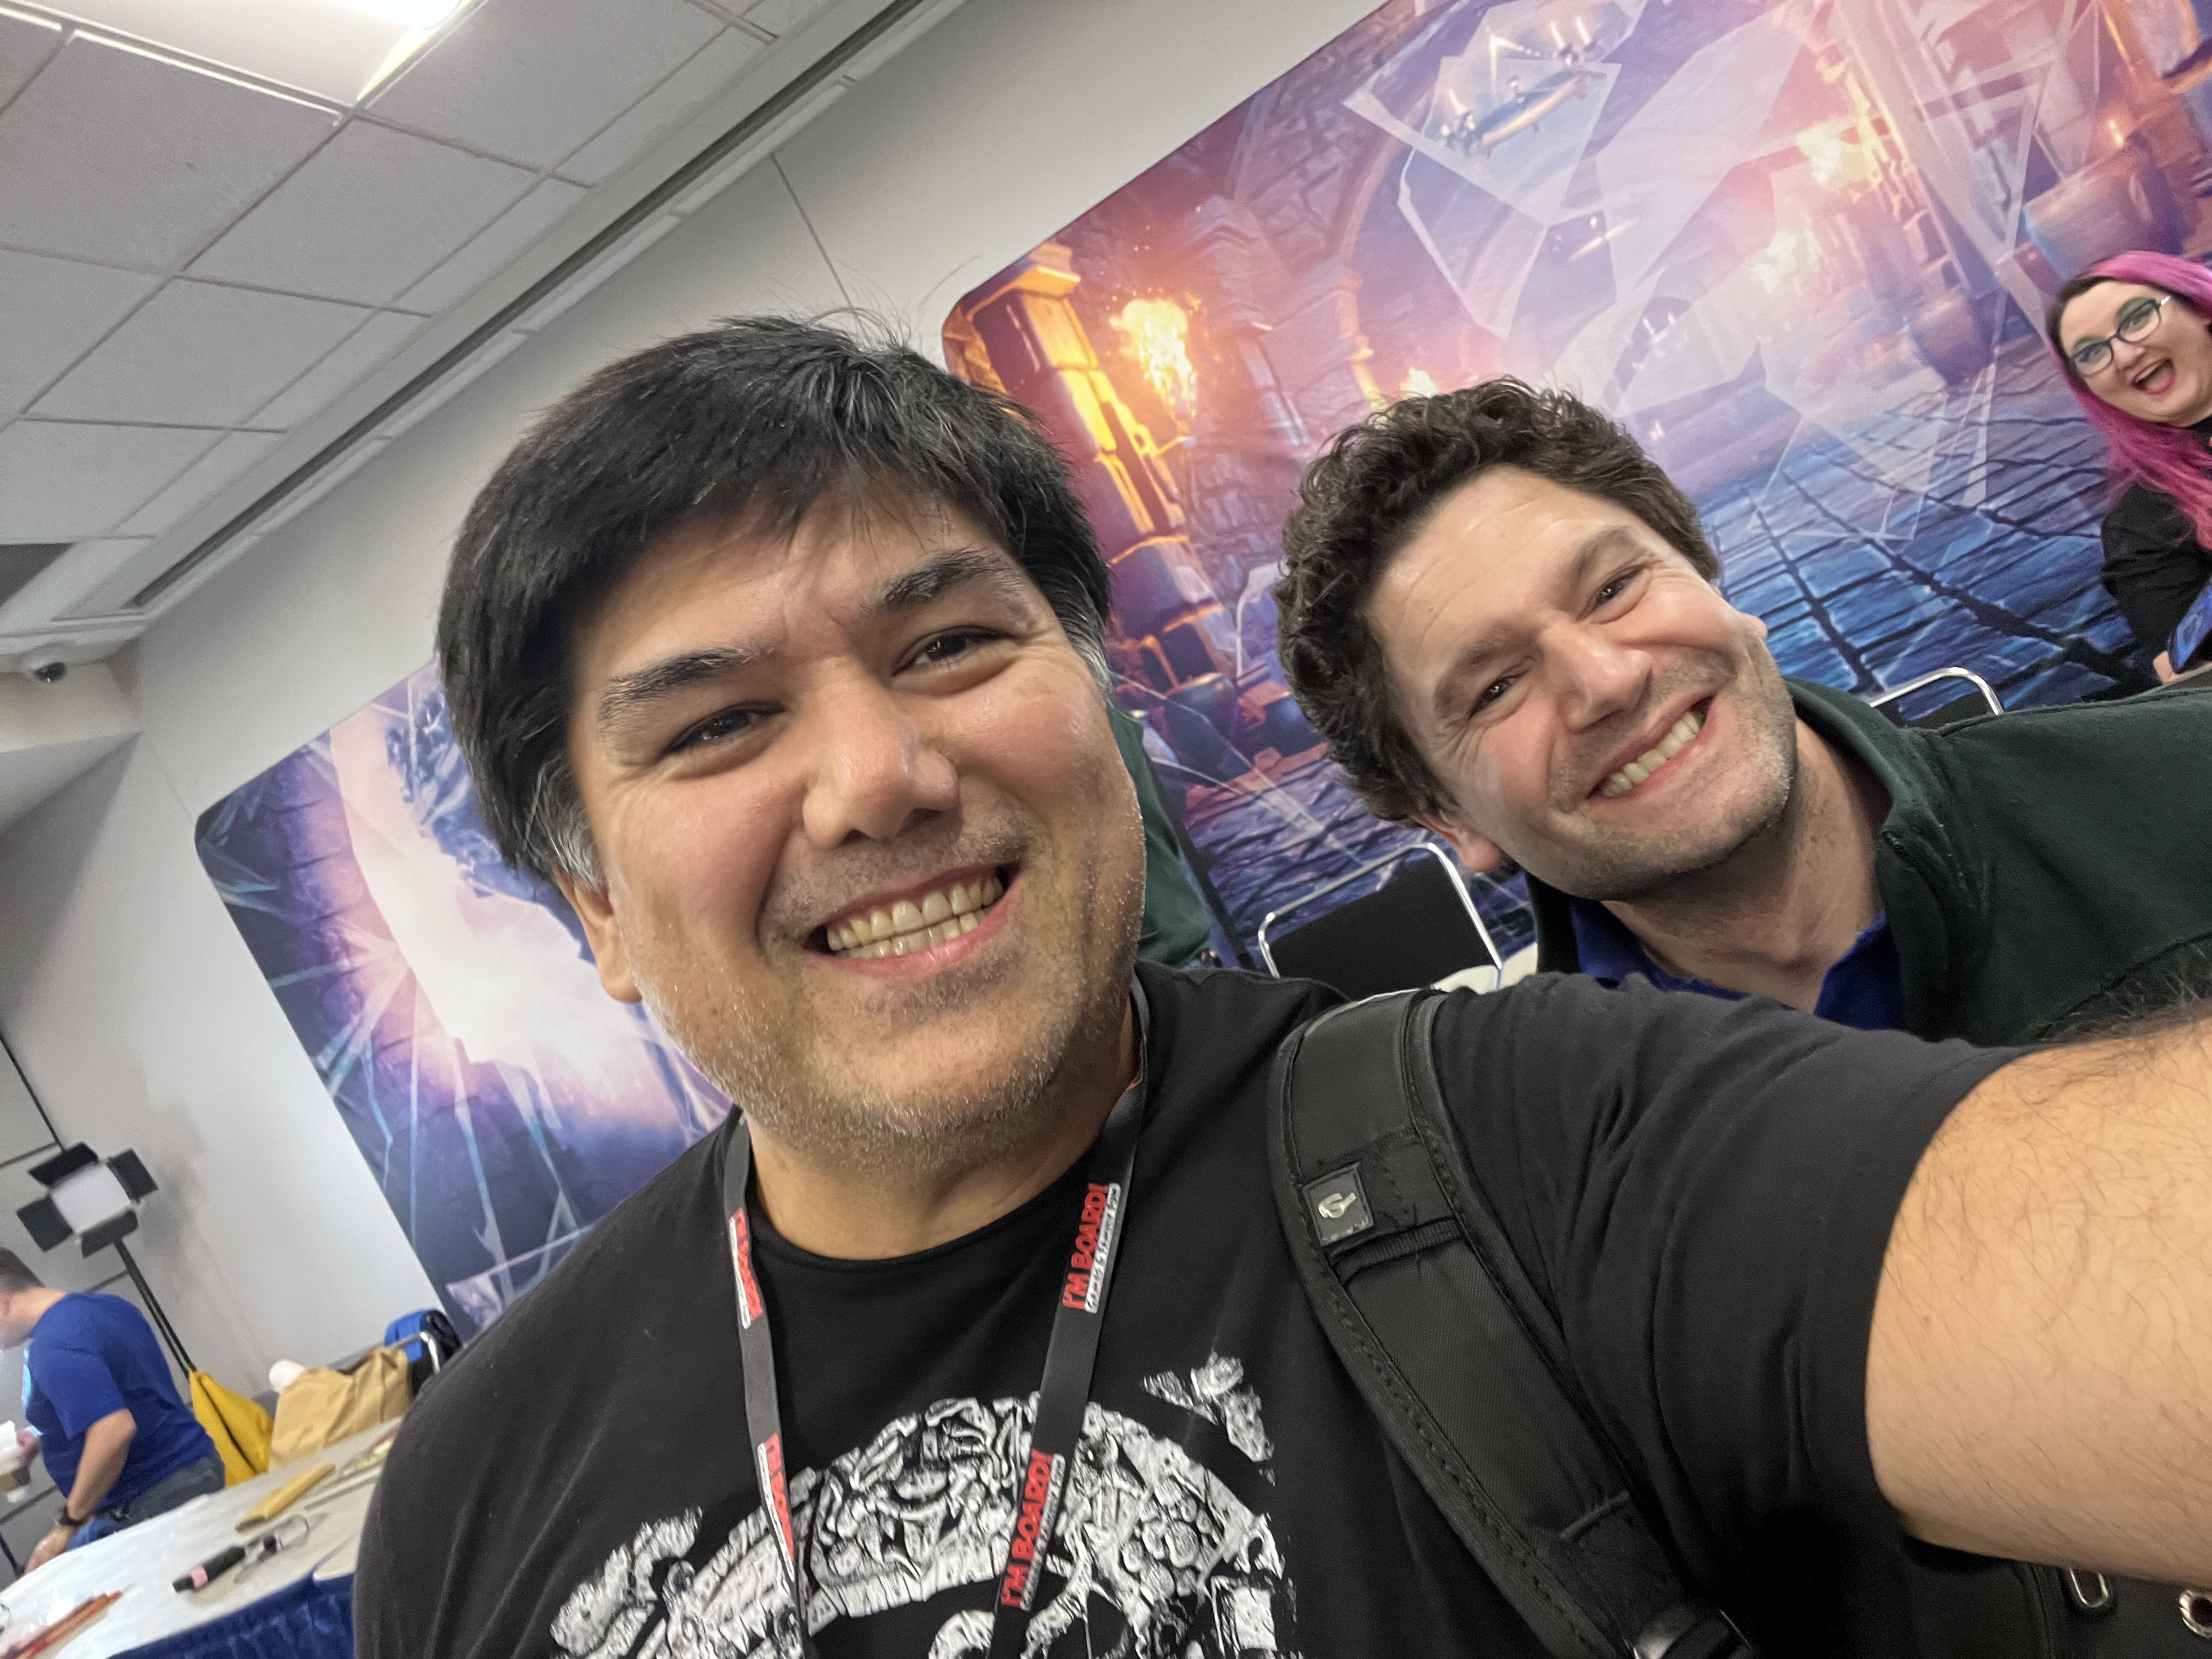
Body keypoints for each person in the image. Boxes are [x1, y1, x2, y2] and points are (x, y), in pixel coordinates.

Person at [357, 319, 2212, 1659]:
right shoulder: (467, 1490)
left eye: (949, 644)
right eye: (716, 724)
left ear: (1101, 711)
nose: (876, 779)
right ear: (591, 903)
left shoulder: (1511, 1140)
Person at [1275, 377, 2212, 1045]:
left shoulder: (2187, 781)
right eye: (1495, 687)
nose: (1606, 680)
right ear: (1447, 816)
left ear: (1710, 583)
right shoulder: (1533, 1182)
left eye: (1613, 588)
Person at [2047, 250, 2212, 681]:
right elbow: (2183, 678)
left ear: (2198, 308)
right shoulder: (2141, 523)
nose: (2123, 355)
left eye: (2137, 318)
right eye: (2091, 354)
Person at [0, 1252, 222, 1571]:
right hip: (194, 1469)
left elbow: (114, 1429)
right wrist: (42, 1436)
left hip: (154, 1497)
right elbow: (127, 1395)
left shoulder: (53, 1348)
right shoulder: (106, 1307)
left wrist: (67, 1525)